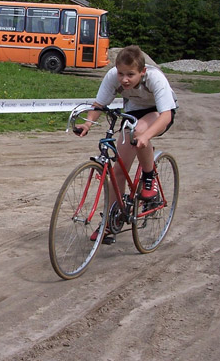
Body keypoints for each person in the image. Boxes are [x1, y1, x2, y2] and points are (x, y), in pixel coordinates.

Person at [75, 45, 177, 244]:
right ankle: (111, 221)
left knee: (139, 132)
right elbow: (100, 104)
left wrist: (147, 135)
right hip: (133, 113)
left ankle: (149, 177)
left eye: (131, 74)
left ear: (142, 71)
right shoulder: (113, 76)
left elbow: (166, 116)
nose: (124, 79)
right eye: (121, 74)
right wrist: (88, 124)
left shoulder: (155, 78)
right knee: (119, 171)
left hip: (159, 112)